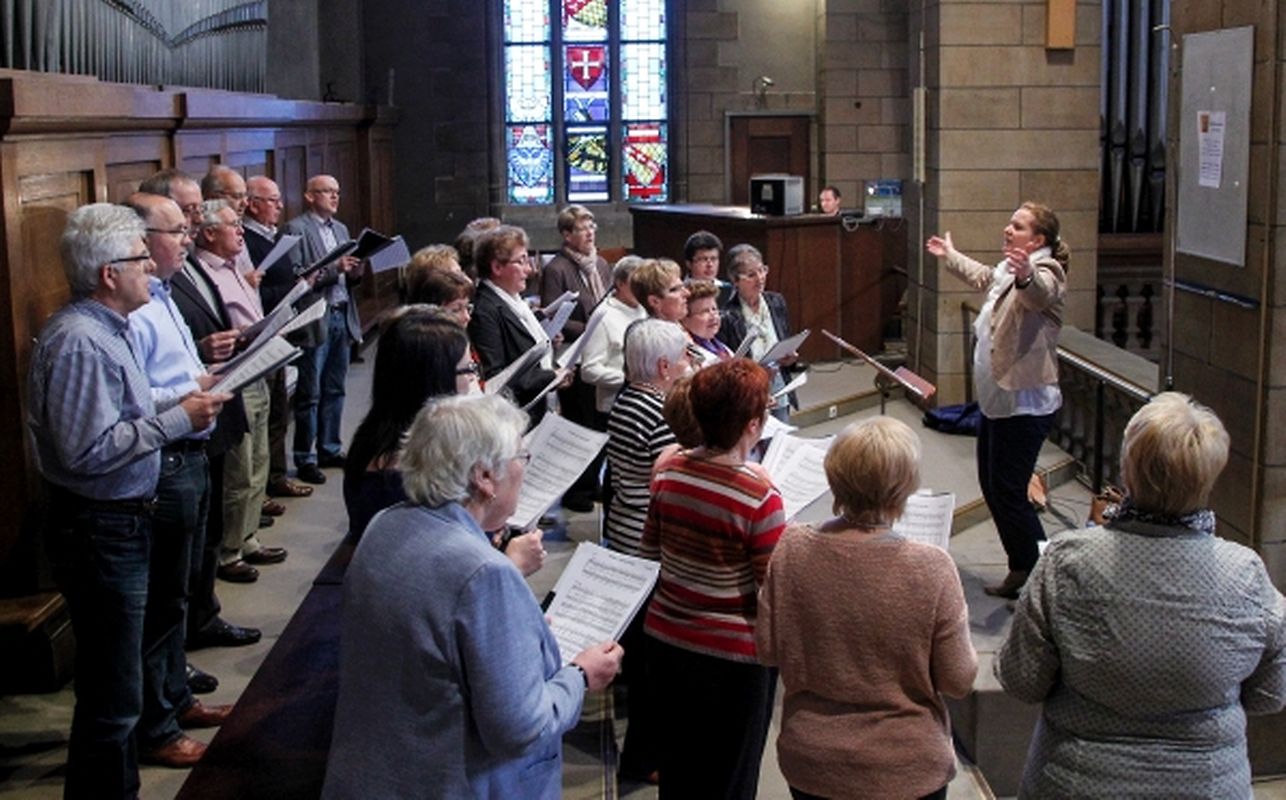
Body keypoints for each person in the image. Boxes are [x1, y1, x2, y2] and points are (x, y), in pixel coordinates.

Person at [321, 394, 623, 799]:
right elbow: (522, 729)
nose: (524, 467)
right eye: (522, 456)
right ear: (484, 476)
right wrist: (580, 675)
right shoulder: (483, 573)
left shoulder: (386, 524)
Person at [27, 203, 225, 797]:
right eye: (141, 260)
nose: (152, 271)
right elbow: (88, 452)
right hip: (100, 526)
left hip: (119, 519)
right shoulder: (83, 343)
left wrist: (179, 402)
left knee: (121, 681)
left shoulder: (107, 333)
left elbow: (127, 415)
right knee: (112, 695)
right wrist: (178, 421)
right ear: (109, 273)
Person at [997, 392, 1286, 797]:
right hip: (1205, 786)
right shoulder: (1245, 574)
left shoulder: (1068, 561)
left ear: (1127, 472)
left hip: (1078, 782)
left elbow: (1022, 680)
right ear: (1209, 478)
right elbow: (1270, 695)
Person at [756, 416, 977, 800]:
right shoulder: (931, 567)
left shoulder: (791, 549)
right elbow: (959, 680)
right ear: (904, 488)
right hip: (906, 765)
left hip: (814, 761)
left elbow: (768, 650)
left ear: (834, 477)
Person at [124, 193, 237, 767]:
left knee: (179, 593)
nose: (187, 237)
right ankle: (158, 727)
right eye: (176, 229)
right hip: (163, 463)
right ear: (142, 239)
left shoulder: (164, 294)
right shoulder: (134, 309)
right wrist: (193, 392)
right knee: (161, 601)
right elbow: (137, 398)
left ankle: (177, 696)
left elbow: (175, 371)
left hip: (190, 450)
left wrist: (206, 374)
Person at [641, 358, 785, 798]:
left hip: (667, 640)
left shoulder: (668, 471)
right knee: (730, 780)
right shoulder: (760, 495)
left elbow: (651, 554)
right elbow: (773, 592)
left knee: (681, 771)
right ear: (753, 425)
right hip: (732, 659)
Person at [925, 201, 1068, 599]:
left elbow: (1040, 294)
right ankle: (1022, 566)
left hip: (1024, 405)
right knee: (993, 486)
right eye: (1009, 223)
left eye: (1018, 226)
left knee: (1010, 491)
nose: (1008, 229)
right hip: (997, 402)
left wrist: (1026, 276)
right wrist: (951, 257)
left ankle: (1044, 581)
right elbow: (985, 277)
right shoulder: (1008, 268)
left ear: (1037, 240)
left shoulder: (1046, 270)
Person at [603, 318, 690, 782]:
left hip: (623, 529)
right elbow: (669, 480)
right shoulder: (658, 413)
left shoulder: (630, 399)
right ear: (662, 366)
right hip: (644, 545)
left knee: (643, 655)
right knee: (652, 661)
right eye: (682, 358)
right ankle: (645, 756)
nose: (686, 365)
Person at [193, 199, 288, 579]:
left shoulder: (239, 265)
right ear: (210, 232)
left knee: (260, 458)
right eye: (233, 224)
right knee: (241, 468)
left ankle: (248, 537)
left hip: (258, 368)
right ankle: (229, 551)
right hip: (234, 373)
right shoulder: (203, 270)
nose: (241, 231)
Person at [284, 174, 363, 485]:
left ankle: (330, 447)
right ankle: (305, 456)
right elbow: (296, 277)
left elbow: (348, 278)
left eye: (337, 192)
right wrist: (334, 270)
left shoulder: (341, 229)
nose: (334, 197)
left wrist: (355, 272)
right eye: (327, 191)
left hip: (342, 313)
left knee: (335, 387)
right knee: (310, 392)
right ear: (309, 196)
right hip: (315, 316)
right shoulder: (296, 229)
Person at [242, 175, 313, 501]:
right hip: (258, 338)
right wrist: (296, 288)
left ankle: (276, 476)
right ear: (253, 204)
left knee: (278, 415)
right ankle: (263, 490)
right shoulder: (248, 242)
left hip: (277, 334)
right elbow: (256, 294)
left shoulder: (271, 237)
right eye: (272, 200)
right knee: (263, 420)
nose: (280, 206)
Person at [468, 225, 567, 423]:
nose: (529, 270)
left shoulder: (513, 299)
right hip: (513, 419)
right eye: (521, 261)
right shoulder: (484, 311)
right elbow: (496, 379)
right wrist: (549, 377)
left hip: (536, 410)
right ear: (497, 267)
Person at [718, 243, 797, 420]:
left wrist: (789, 358)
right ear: (735, 280)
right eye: (751, 275)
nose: (760, 278)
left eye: (762, 271)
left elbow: (784, 338)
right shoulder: (728, 315)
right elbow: (728, 366)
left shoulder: (776, 301)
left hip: (778, 383)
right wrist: (756, 371)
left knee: (781, 437)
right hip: (749, 391)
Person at [579, 255, 649, 418]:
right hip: (613, 407)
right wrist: (627, 380)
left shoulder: (644, 309)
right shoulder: (604, 316)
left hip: (642, 402)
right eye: (636, 282)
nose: (642, 288)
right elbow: (588, 370)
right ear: (620, 283)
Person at [681, 279, 733, 368]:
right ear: (685, 318)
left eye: (714, 309)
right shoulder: (686, 355)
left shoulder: (723, 347)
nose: (713, 316)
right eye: (704, 312)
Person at [629, 258, 689, 322]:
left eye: (683, 287)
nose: (687, 293)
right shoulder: (648, 331)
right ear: (654, 301)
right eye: (675, 290)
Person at [683, 229, 732, 305]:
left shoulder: (730, 291)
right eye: (703, 259)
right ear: (689, 264)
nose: (710, 265)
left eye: (714, 259)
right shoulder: (681, 292)